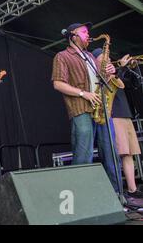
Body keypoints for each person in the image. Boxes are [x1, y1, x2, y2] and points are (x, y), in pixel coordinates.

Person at [52, 22, 122, 193]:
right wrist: (84, 94)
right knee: (84, 155)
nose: (88, 35)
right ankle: (81, 197)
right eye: (84, 32)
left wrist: (110, 71)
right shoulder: (62, 56)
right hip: (81, 109)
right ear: (73, 36)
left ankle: (117, 194)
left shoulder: (90, 56)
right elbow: (58, 84)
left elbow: (103, 78)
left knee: (111, 154)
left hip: (101, 108)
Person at [96, 51, 143, 198]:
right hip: (113, 116)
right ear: (97, 60)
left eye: (109, 58)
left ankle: (132, 189)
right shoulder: (98, 74)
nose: (109, 60)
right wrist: (121, 69)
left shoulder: (115, 72)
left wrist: (132, 68)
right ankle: (118, 191)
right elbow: (112, 86)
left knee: (129, 153)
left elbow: (132, 84)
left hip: (126, 114)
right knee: (118, 153)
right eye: (104, 58)